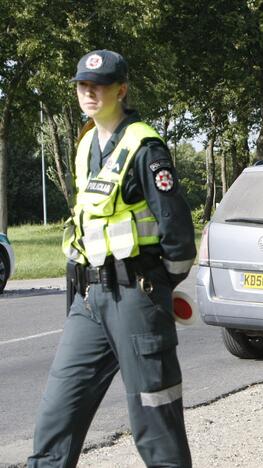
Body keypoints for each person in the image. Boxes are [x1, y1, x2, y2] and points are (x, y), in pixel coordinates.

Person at [28, 50, 195, 466]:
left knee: (154, 418)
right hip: (88, 300)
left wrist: (155, 288)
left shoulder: (144, 146)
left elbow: (177, 233)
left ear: (121, 89)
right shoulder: (85, 144)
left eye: (98, 85)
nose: (89, 92)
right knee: (58, 413)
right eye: (83, 85)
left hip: (136, 294)